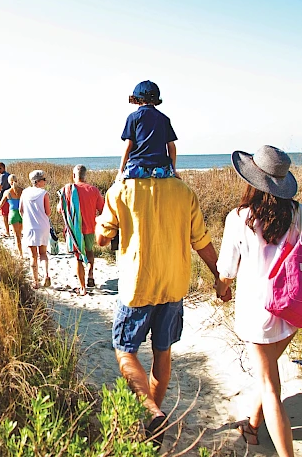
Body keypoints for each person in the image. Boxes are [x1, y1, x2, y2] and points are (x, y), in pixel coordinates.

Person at [214, 145, 302, 457]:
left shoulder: (239, 218)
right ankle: (252, 426)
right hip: (292, 311)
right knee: (266, 372)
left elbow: (227, 270)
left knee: (270, 386)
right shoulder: (299, 213)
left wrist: (222, 288)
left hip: (258, 315)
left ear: (253, 180)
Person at [95, 171, 219, 448]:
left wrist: (101, 219)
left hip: (138, 285)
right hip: (173, 285)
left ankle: (153, 412)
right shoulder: (183, 190)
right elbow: (200, 240)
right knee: (163, 351)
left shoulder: (121, 189)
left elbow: (102, 239)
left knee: (125, 350)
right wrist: (219, 276)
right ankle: (154, 420)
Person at [57, 165, 104, 295]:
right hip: (90, 227)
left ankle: (82, 288)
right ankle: (90, 274)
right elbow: (102, 209)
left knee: (78, 257)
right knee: (89, 251)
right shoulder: (93, 190)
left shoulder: (67, 190)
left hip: (74, 230)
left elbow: (60, 209)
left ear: (73, 175)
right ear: (85, 175)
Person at [118, 80, 178, 180]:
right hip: (161, 169)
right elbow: (171, 146)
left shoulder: (133, 117)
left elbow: (128, 144)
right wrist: (173, 170)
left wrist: (120, 171)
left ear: (136, 99)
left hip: (138, 167)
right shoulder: (164, 119)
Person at [20, 170, 51, 289]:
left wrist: (28, 219)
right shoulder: (44, 194)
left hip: (30, 227)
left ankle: (35, 281)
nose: (45, 182)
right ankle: (46, 275)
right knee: (43, 253)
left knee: (33, 256)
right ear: (38, 181)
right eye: (44, 180)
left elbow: (21, 210)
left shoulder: (25, 192)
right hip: (43, 226)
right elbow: (48, 212)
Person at [0, 174, 24, 258]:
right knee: (20, 233)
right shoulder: (22, 191)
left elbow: (1, 204)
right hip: (22, 213)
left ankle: (20, 253)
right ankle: (21, 249)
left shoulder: (7, 192)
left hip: (13, 213)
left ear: (9, 182)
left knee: (16, 235)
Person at [0, 162, 12, 237]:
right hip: (11, 197)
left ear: (3, 168)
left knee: (5, 215)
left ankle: (7, 232)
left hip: (4, 197)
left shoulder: (3, 176)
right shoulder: (8, 175)